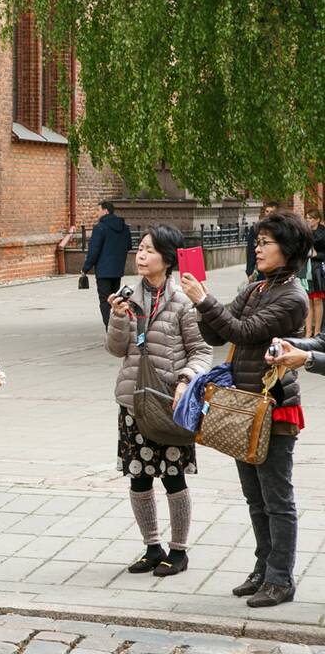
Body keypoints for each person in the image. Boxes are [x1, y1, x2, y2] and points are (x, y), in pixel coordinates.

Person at [183, 210, 311, 608]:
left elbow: (244, 332)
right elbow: (215, 331)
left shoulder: (292, 296)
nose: (257, 248)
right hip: (243, 406)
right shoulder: (257, 286)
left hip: (273, 407)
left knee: (277, 499)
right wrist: (204, 304)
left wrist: (206, 302)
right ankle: (262, 569)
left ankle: (280, 579)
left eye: (265, 242)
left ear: (287, 250)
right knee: (254, 498)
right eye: (256, 241)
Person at [105, 225, 212, 578]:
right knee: (138, 477)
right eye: (140, 249)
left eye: (149, 250)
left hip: (168, 401)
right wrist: (119, 318)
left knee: (173, 478)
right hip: (134, 401)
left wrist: (185, 380)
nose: (140, 255)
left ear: (167, 258)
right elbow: (117, 349)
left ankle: (178, 551)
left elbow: (201, 351)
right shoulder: (128, 296)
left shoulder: (183, 300)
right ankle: (152, 547)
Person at [81, 201, 133, 329]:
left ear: (105, 211)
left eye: (98, 210)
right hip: (117, 269)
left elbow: (94, 251)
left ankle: (110, 328)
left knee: (105, 301)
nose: (97, 213)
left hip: (103, 271)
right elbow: (129, 246)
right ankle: (119, 325)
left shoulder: (100, 228)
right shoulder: (124, 227)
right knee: (116, 299)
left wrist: (85, 268)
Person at [245, 202, 280, 281]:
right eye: (267, 211)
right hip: (261, 269)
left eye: (272, 212)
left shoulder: (281, 230)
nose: (268, 214)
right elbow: (251, 251)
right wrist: (249, 271)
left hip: (276, 268)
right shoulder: (256, 229)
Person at [304, 210, 325, 336]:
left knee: (317, 300)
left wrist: (317, 255)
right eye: (307, 218)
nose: (308, 220)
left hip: (317, 269)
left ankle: (317, 331)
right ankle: (308, 332)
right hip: (304, 268)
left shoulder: (323, 233)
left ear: (317, 219)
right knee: (307, 300)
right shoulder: (304, 233)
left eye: (311, 218)